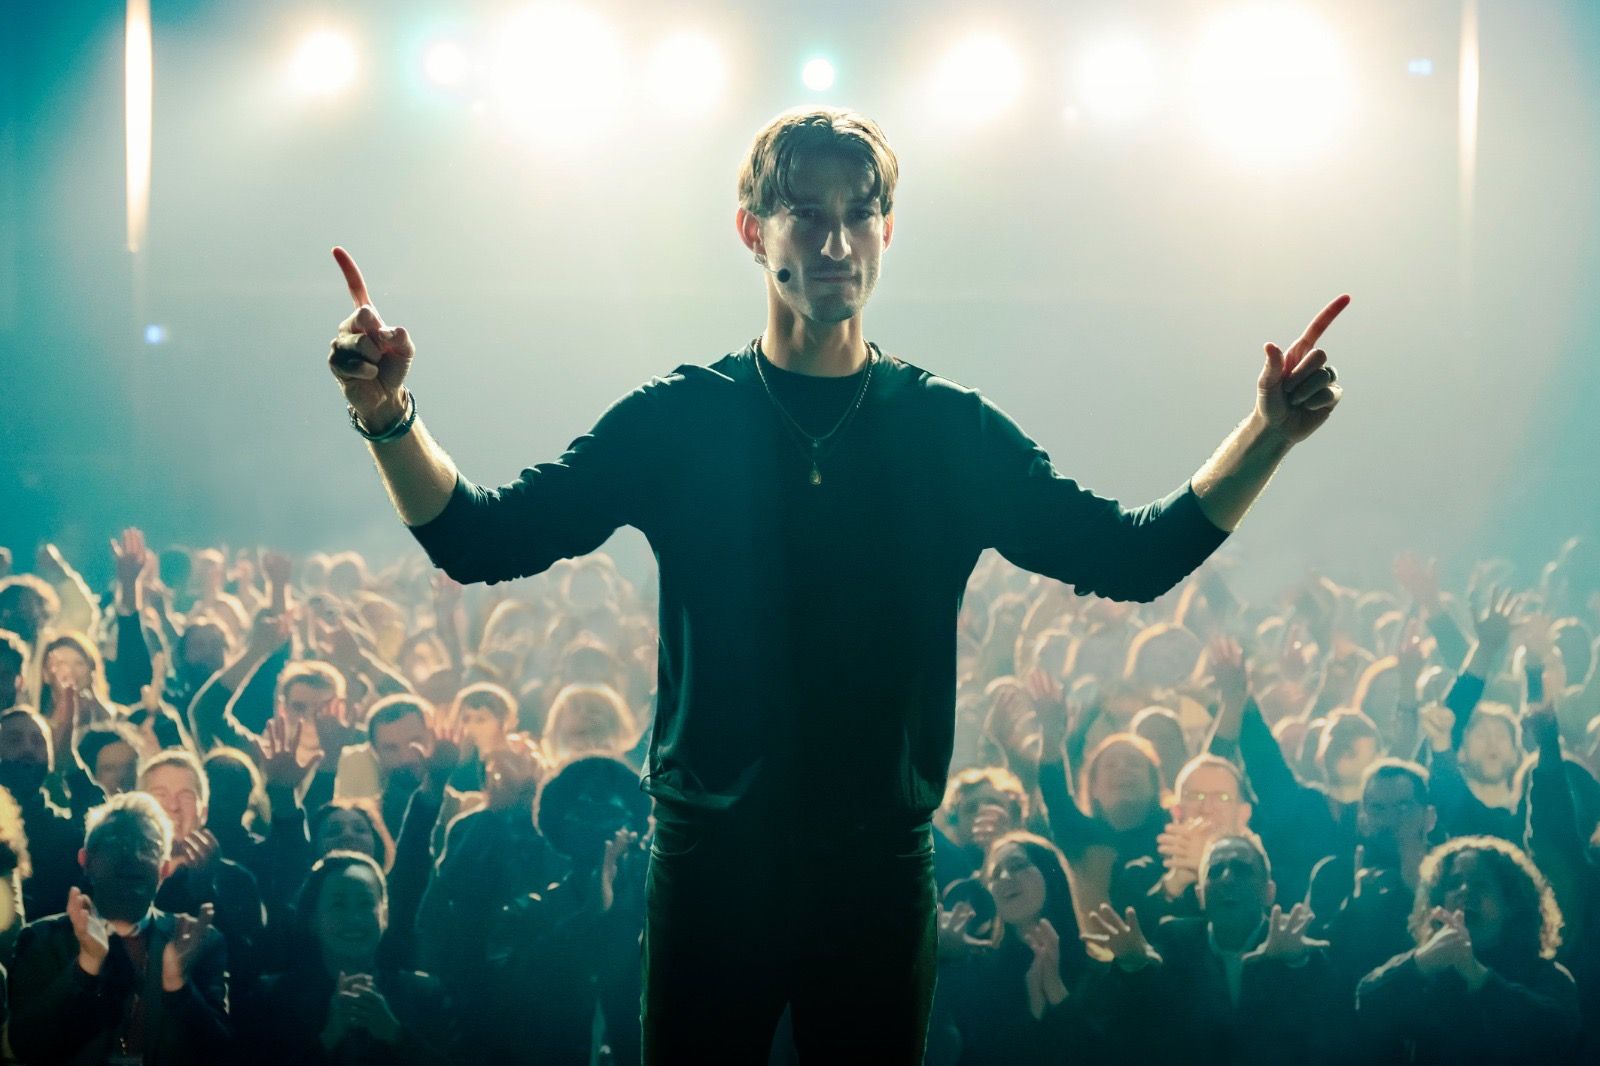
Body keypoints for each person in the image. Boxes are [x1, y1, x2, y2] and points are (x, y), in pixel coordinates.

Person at [323, 106, 1348, 1060]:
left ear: (887, 232)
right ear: (750, 231)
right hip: (712, 865)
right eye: (805, 214)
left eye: (860, 214)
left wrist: (1269, 433)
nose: (835, 241)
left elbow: (1134, 556)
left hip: (876, 869)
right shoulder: (682, 419)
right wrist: (384, 416)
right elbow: (480, 539)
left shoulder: (945, 430)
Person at [7, 791, 230, 1064]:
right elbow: (24, 1045)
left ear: (164, 869)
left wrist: (179, 987)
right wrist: (85, 967)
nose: (131, 856)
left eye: (147, 847)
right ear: (85, 861)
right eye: (114, 843)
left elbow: (219, 1052)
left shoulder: (195, 940)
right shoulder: (42, 939)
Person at [1086, 835, 1335, 1065]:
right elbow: (1131, 1030)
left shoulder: (1291, 945)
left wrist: (1296, 964)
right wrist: (1132, 968)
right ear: (1200, 896)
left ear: (1269, 892)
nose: (1227, 879)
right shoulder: (1174, 941)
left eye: (1242, 869)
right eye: (1215, 871)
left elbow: (1327, 1033)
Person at [1355, 835, 1580, 1063]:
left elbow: (1552, 1037)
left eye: (1480, 883)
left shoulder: (1546, 976)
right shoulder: (1430, 971)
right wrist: (1419, 962)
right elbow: (1369, 1007)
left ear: (1510, 903)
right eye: (1453, 884)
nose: (1464, 891)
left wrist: (1478, 976)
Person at [239, 850, 456, 1065]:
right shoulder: (274, 998)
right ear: (313, 919)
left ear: (384, 916)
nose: (353, 918)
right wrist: (329, 1037)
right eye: (338, 905)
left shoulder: (424, 995)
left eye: (365, 903)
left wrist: (395, 1034)